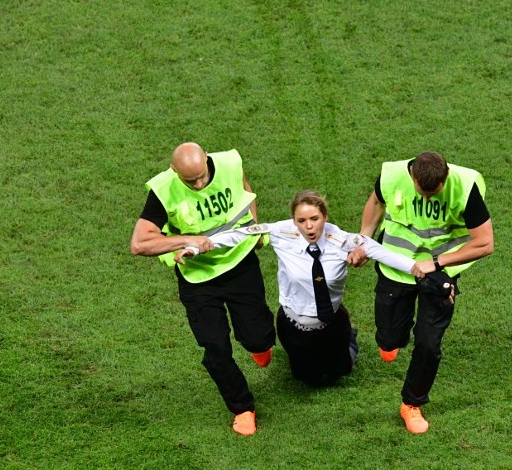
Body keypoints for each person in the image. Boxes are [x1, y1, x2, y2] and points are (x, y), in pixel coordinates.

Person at [177, 190, 436, 386]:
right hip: (292, 325)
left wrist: (418, 267)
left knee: (340, 372)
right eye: (301, 220)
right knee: (306, 379)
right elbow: (240, 233)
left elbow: (380, 252)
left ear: (325, 216)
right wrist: (198, 246)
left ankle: (350, 340)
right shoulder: (281, 232)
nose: (308, 226)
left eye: (314, 218)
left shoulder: (344, 240)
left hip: (332, 323)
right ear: (294, 220)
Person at [130, 142, 275, 436]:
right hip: (198, 280)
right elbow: (139, 244)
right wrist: (185, 240)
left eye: (201, 176)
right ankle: (242, 408)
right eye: (189, 181)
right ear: (174, 171)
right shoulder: (163, 190)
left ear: (207, 159)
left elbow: (246, 192)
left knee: (258, 337)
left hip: (241, 264)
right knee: (215, 347)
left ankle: (258, 347)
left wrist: (255, 229)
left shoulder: (230, 164)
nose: (198, 184)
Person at [348, 151, 494, 434]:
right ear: (412, 175)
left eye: (434, 193)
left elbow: (485, 243)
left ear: (446, 177)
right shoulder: (392, 175)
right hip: (396, 266)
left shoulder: (465, 187)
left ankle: (411, 404)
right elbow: (376, 202)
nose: (427, 199)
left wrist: (437, 263)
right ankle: (391, 342)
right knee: (390, 338)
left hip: (439, 272)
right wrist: (363, 241)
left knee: (429, 343)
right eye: (421, 192)